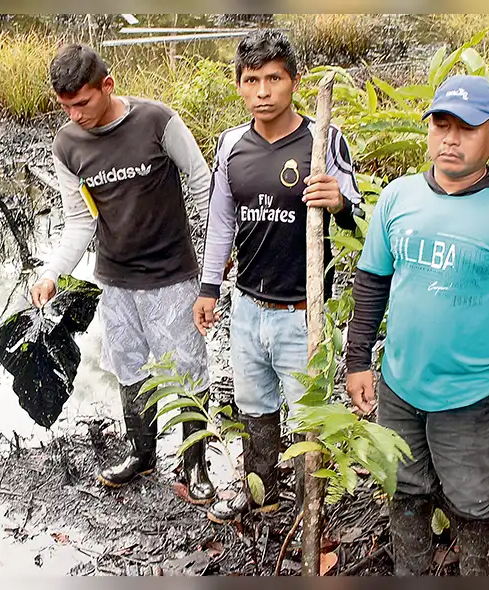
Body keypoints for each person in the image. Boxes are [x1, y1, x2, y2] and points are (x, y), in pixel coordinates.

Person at [344, 75, 489, 576]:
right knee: (404, 487)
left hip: (470, 393)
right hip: (399, 384)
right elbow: (372, 282)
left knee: (473, 498)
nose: (450, 139)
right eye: (441, 125)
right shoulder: (398, 199)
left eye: (466, 128)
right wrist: (357, 360)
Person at [30, 44, 216, 505]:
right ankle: (142, 454)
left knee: (187, 371)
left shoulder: (157, 121)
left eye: (84, 103)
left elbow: (201, 182)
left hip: (172, 275)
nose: (76, 115)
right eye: (66, 106)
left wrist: (217, 258)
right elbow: (79, 220)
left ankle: (196, 466)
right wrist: (53, 273)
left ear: (107, 86)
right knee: (128, 367)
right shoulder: (67, 145)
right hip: (114, 279)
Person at [193, 29, 363, 523]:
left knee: (310, 413)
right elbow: (222, 221)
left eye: (273, 78)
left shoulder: (323, 140)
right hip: (246, 306)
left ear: (294, 81)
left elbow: (357, 214)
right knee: (253, 406)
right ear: (239, 85)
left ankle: (316, 504)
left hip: (302, 312)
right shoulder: (230, 145)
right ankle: (261, 491)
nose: (263, 92)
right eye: (252, 80)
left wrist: (340, 202)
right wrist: (209, 288)